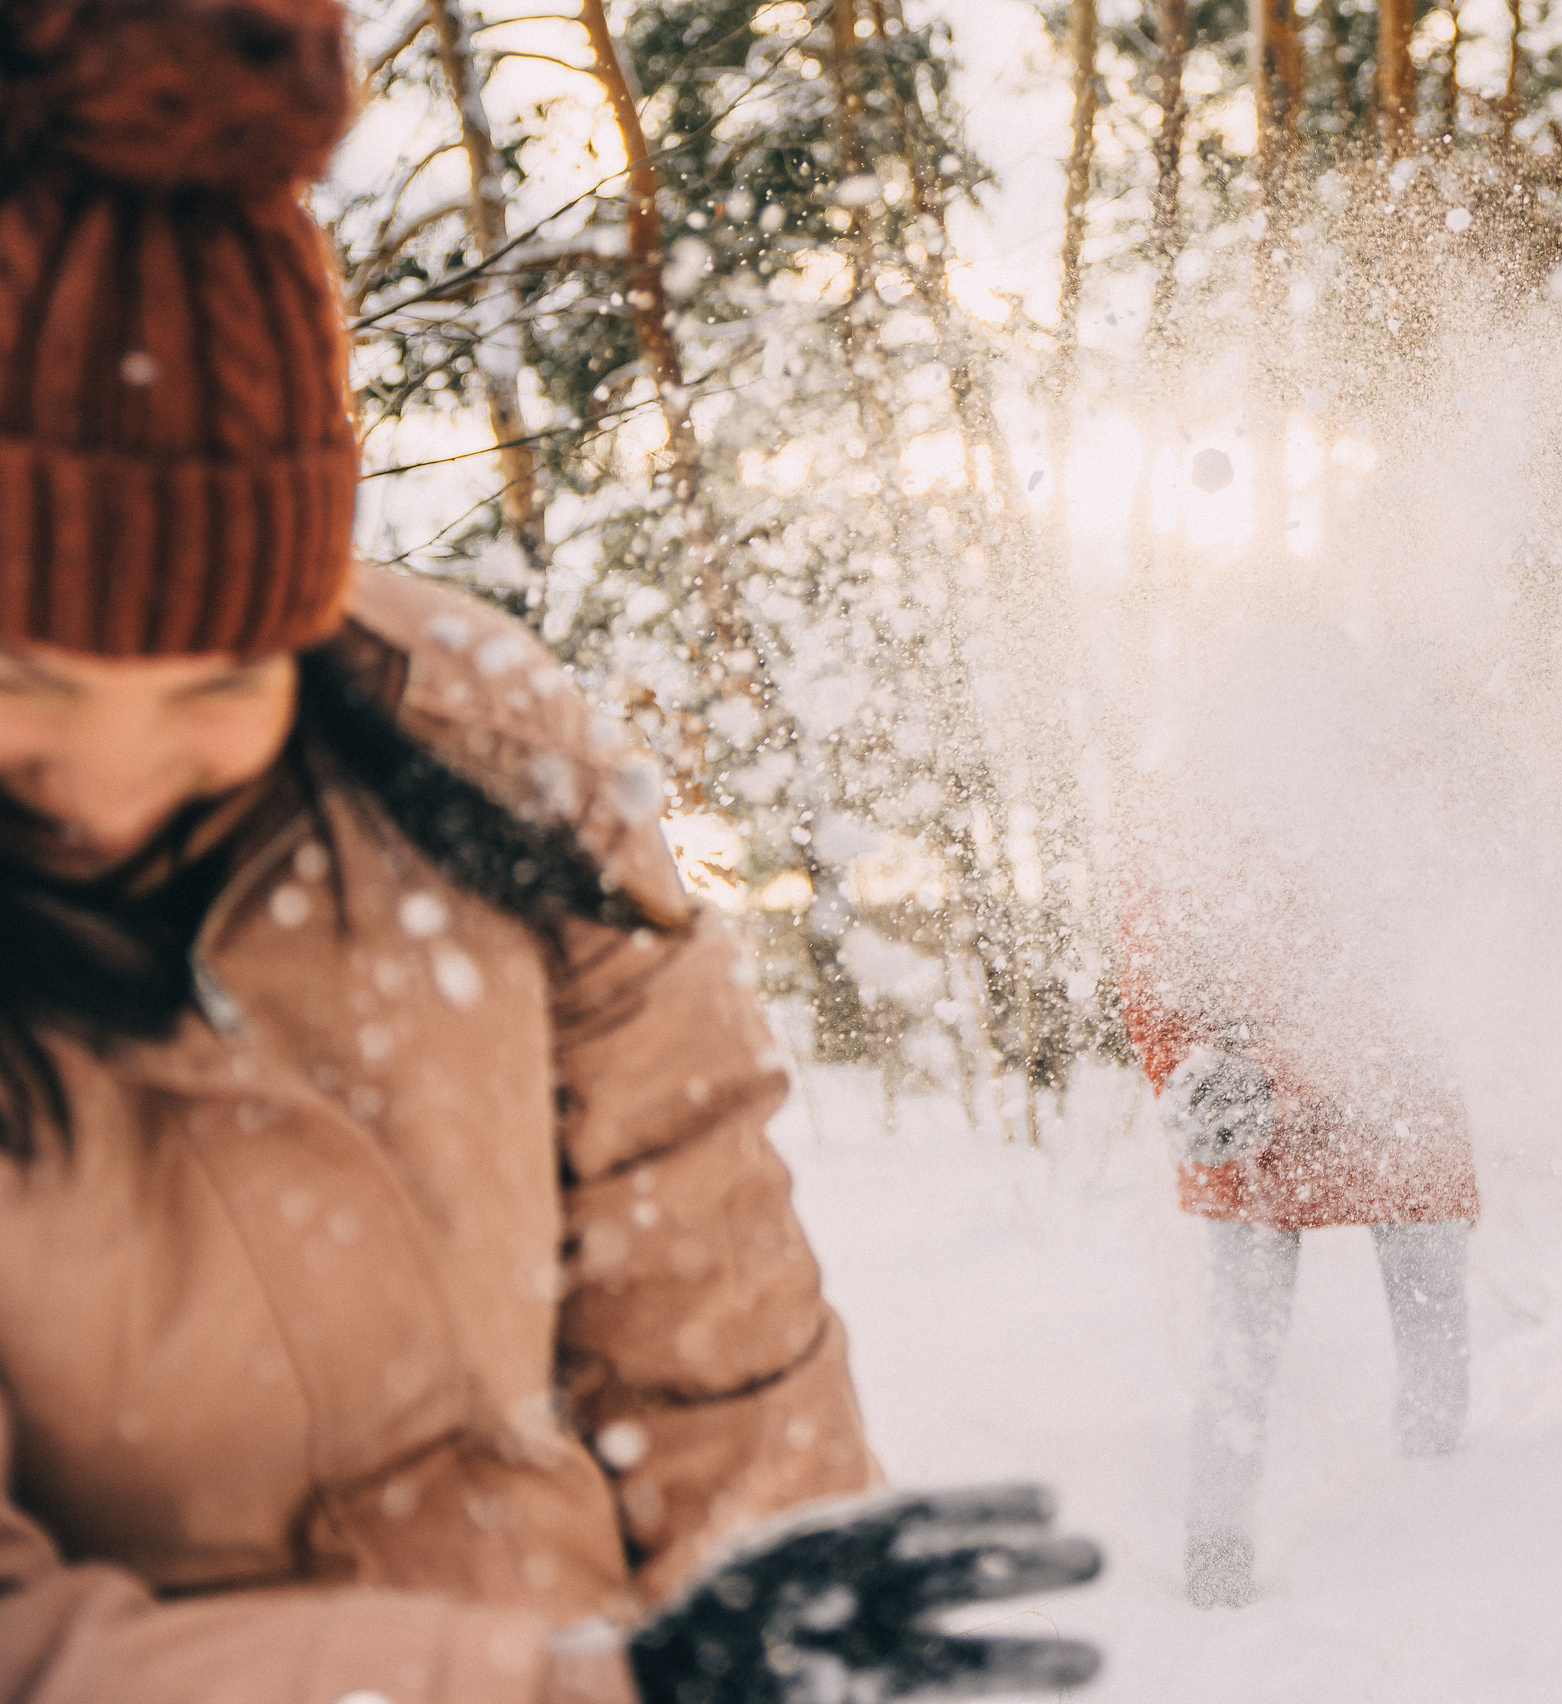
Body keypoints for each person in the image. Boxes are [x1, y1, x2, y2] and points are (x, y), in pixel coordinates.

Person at [0, 5, 1096, 1700]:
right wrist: (565, 1683)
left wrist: (765, 1657)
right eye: (25, 678)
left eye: (219, 677)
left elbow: (706, 1334)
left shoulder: (482, 751)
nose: (120, 773)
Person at [1119, 815, 1478, 1610]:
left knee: (1419, 1325)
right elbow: (1152, 959)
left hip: (1387, 1098)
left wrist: (1245, 1075)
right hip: (1263, 1108)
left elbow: (1437, 938)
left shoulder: (1392, 767)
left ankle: (1436, 1537)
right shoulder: (1185, 785)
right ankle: (1220, 1562)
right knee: (1248, 1345)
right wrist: (1190, 1075)